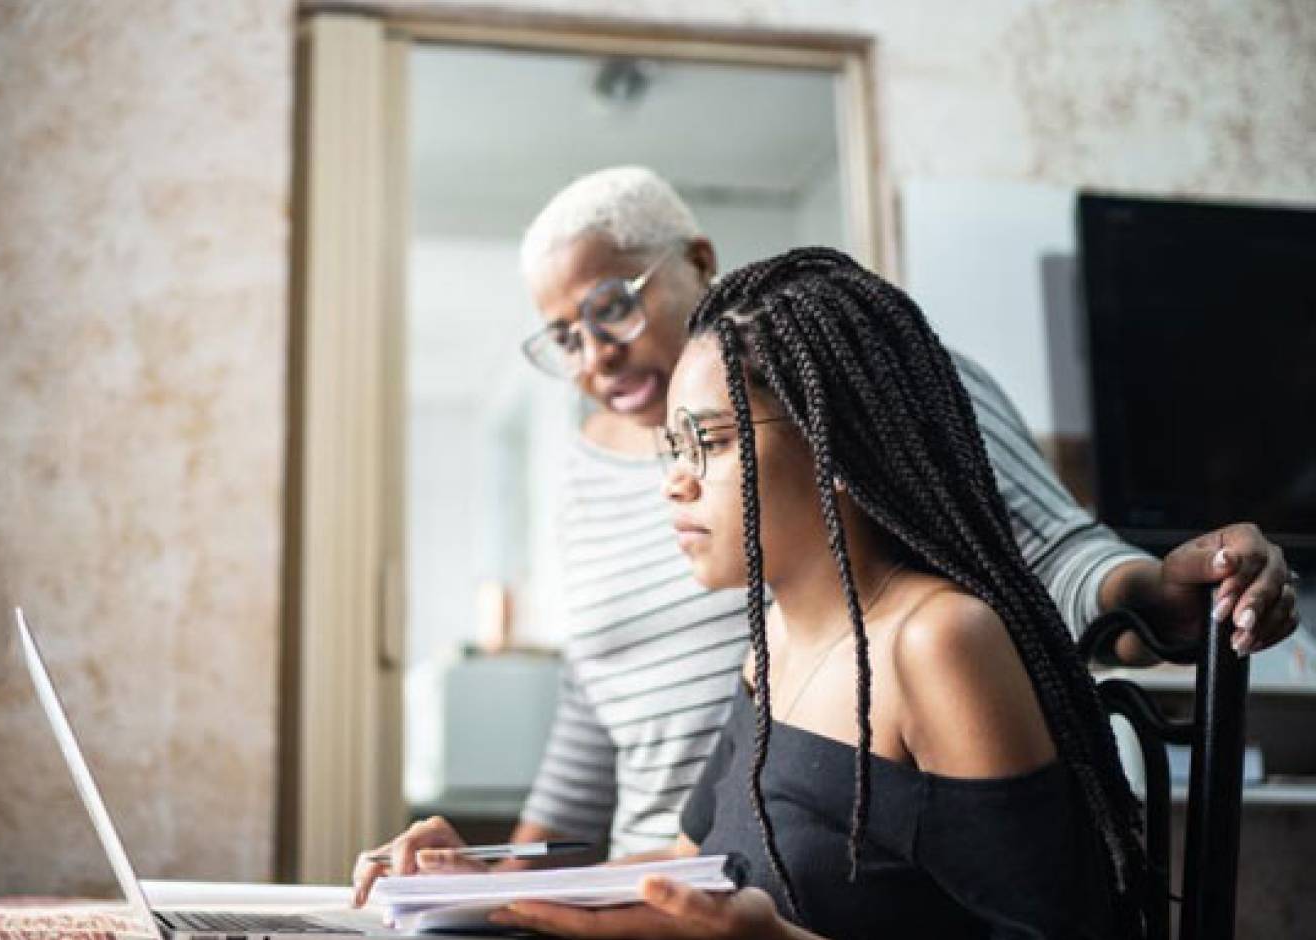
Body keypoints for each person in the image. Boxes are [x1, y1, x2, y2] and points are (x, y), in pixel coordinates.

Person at [497, 167, 1297, 864]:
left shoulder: (869, 389)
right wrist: (502, 878)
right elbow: (592, 699)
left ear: (697, 261)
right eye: (565, 337)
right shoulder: (583, 482)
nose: (595, 352)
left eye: (612, 306)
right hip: (671, 872)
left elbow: (1049, 555)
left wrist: (1155, 597)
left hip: (833, 880)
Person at [367, 249, 1149, 938]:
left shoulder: (938, 642)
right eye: (673, 445)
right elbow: (689, 863)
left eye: (710, 440)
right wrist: (485, 888)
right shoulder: (771, 641)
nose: (674, 480)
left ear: (834, 441)